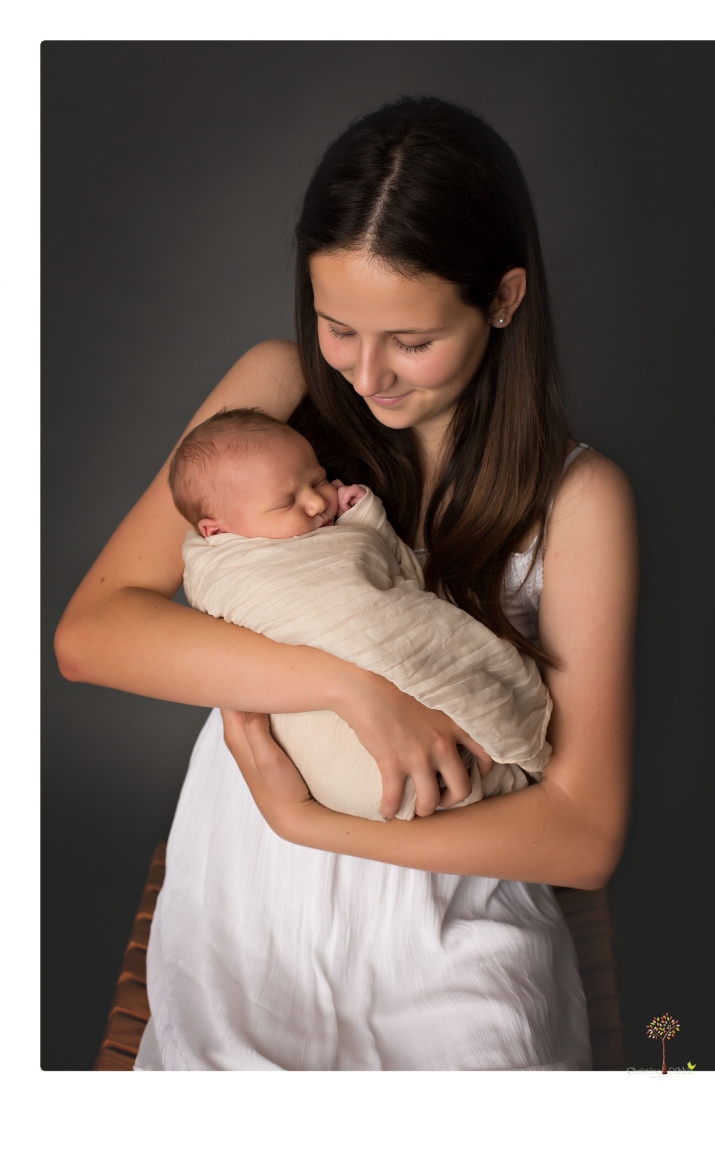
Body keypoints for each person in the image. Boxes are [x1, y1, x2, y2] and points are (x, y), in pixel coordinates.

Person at [55, 95, 638, 1071]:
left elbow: (581, 831)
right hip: (252, 912)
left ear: (502, 298)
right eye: (338, 325)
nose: (369, 375)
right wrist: (345, 686)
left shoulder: (580, 498)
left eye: (412, 339)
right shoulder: (272, 397)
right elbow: (92, 635)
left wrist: (315, 824)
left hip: (453, 916)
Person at [170, 407, 553, 822]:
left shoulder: (320, 527)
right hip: (321, 764)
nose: (317, 501)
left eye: (317, 479)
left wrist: (365, 519)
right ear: (216, 532)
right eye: (286, 502)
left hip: (417, 777)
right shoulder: (232, 570)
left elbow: (398, 573)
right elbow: (353, 609)